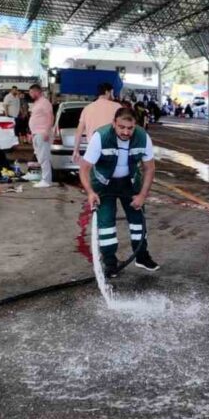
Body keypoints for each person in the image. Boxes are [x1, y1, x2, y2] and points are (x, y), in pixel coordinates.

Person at [81, 107, 159, 277]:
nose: (125, 132)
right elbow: (84, 168)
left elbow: (149, 168)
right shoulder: (100, 137)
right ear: (114, 124)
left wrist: (142, 195)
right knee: (106, 223)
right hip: (104, 185)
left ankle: (141, 256)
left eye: (130, 128)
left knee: (138, 221)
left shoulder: (143, 137)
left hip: (130, 184)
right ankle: (110, 261)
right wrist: (90, 192)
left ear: (135, 125)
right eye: (121, 127)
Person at [74, 82, 121, 163]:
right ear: (107, 92)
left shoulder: (87, 109)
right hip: (113, 150)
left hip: (92, 150)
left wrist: (76, 150)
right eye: (112, 92)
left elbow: (79, 132)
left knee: (93, 174)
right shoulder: (117, 107)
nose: (114, 95)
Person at [28, 84, 55, 188]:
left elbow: (50, 117)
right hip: (36, 133)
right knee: (40, 157)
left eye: (31, 92)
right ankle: (44, 179)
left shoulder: (45, 102)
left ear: (36, 92)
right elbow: (35, 118)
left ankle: (46, 181)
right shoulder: (37, 103)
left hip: (42, 132)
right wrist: (31, 133)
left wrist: (46, 132)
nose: (30, 94)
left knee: (44, 157)